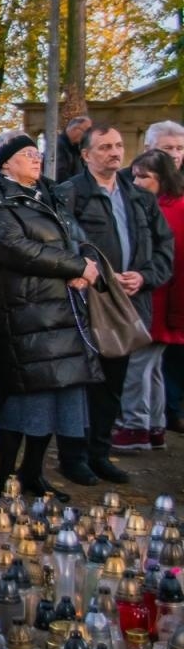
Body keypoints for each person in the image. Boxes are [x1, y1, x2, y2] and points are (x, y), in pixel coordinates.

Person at [0, 135, 102, 500]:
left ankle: (33, 473)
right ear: (6, 164)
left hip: (62, 308)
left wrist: (82, 266)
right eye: (27, 154)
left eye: (37, 154)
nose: (36, 158)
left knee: (57, 396)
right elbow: (13, 248)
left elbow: (74, 234)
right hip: (22, 311)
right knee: (25, 398)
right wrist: (73, 265)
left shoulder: (50, 194)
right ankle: (6, 476)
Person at [56, 123, 173, 483]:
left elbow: (164, 249)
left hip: (128, 305)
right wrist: (90, 273)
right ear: (86, 154)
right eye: (105, 146)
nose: (115, 152)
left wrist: (144, 276)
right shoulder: (68, 194)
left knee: (113, 384)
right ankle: (73, 458)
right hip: (84, 303)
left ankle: (99, 454)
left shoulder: (140, 197)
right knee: (79, 383)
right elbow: (59, 247)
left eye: (119, 145)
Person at [119, 149, 184, 450]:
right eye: (134, 174)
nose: (136, 181)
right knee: (152, 367)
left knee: (137, 364)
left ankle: (134, 427)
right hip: (159, 300)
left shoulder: (171, 210)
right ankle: (154, 425)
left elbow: (172, 261)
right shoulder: (157, 205)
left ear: (162, 179)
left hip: (160, 300)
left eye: (144, 176)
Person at [55, 116, 92, 184]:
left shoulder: (75, 146)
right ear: (75, 129)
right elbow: (60, 174)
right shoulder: (58, 145)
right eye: (86, 132)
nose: (86, 136)